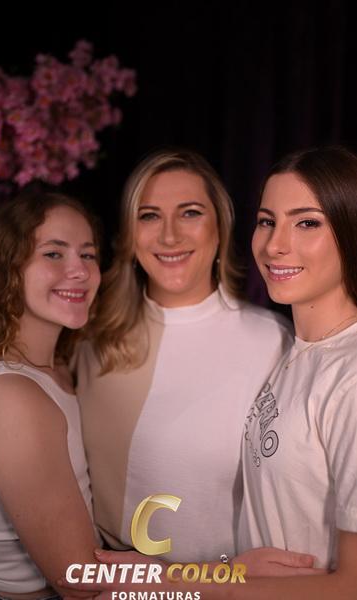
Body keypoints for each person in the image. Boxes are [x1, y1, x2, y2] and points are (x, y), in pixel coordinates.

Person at [75, 148, 309, 569]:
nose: (169, 236)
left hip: (221, 585)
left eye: (190, 213)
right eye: (149, 216)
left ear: (220, 228)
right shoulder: (89, 336)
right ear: (130, 233)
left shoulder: (274, 341)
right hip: (108, 583)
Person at [0, 191, 101, 599]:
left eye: (88, 255)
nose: (80, 271)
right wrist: (221, 580)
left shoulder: (53, 366)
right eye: (54, 254)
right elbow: (81, 584)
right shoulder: (12, 401)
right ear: (7, 269)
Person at [236, 145, 357, 597]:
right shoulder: (292, 351)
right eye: (267, 221)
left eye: (307, 223)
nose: (274, 245)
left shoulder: (351, 376)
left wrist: (195, 581)